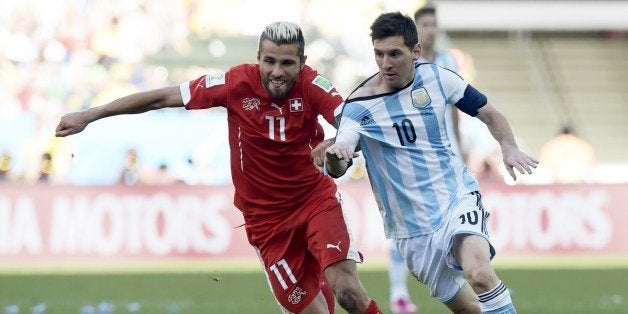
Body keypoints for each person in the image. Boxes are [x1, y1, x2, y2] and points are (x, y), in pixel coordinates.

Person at [56, 22, 382, 314]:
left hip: (314, 202)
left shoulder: (313, 86)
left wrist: (338, 144)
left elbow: (351, 122)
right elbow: (162, 98)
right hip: (267, 223)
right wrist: (90, 115)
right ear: (258, 58)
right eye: (269, 61)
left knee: (348, 293)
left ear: (303, 63)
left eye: (287, 63)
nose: (277, 71)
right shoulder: (234, 83)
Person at [325, 12, 538, 313]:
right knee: (469, 309)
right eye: (379, 54)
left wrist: (509, 146)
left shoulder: (438, 78)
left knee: (479, 274)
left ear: (415, 52)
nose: (386, 63)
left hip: (454, 198)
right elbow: (340, 157)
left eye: (394, 54)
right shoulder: (358, 105)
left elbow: (489, 112)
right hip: (411, 231)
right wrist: (337, 157)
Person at [385, 5, 466, 314]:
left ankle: (465, 283)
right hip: (411, 157)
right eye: (426, 24)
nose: (432, 29)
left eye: (434, 24)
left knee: (457, 223)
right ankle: (399, 294)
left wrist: (461, 146)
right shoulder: (403, 64)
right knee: (406, 227)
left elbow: (457, 105)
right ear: (415, 32)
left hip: (445, 154)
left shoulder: (448, 61)